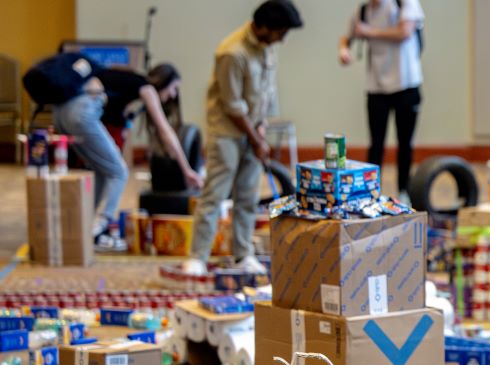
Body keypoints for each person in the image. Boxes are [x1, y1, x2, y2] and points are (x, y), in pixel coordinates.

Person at [182, 0, 303, 276]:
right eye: (280, 32)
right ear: (262, 27)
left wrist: (260, 130)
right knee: (215, 193)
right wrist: (255, 136)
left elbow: (266, 93)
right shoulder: (232, 53)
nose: (282, 39)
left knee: (247, 195)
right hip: (226, 132)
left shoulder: (267, 48)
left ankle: (242, 254)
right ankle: (197, 257)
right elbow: (232, 104)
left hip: (252, 130)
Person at [52, 61, 203, 251]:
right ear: (164, 81)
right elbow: (166, 132)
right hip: (81, 111)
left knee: (102, 171)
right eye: (174, 88)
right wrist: (187, 170)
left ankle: (86, 226)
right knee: (120, 173)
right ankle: (100, 230)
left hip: (61, 113)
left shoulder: (127, 86)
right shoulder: (146, 88)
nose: (174, 95)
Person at [338, 0, 424, 202]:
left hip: (406, 83)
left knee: (405, 143)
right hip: (376, 87)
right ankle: (370, 192)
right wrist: (344, 50)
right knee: (376, 144)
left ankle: (404, 190)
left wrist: (369, 31)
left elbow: (405, 32)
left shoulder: (404, 4)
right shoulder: (363, 11)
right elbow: (347, 36)